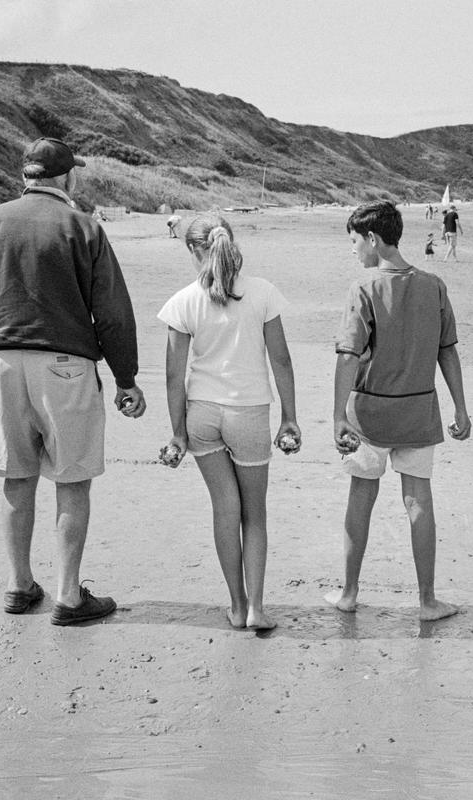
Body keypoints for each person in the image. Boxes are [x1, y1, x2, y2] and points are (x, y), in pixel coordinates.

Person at [0, 137, 145, 626]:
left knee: (18, 478)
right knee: (72, 480)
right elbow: (113, 312)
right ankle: (67, 596)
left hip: (1, 362)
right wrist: (126, 379)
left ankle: (19, 585)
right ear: (67, 178)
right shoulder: (83, 227)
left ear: (26, 176)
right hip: (64, 364)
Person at [324, 201, 471, 621]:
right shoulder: (434, 285)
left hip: (369, 415)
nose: (354, 250)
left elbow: (348, 355)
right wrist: (460, 407)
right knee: (419, 501)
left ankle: (350, 593)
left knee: (361, 498)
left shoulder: (364, 288)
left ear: (372, 238)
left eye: (355, 241)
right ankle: (427, 601)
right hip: (419, 412)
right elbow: (449, 352)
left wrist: (337, 417)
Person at [157, 214, 299, 631]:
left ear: (192, 250)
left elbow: (172, 375)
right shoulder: (262, 293)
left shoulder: (183, 301)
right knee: (254, 515)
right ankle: (256, 608)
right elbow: (282, 360)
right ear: (230, 243)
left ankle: (236, 607)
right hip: (249, 413)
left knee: (224, 509)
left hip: (202, 414)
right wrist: (290, 418)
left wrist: (178, 432)